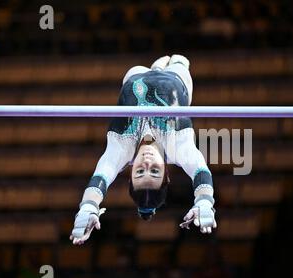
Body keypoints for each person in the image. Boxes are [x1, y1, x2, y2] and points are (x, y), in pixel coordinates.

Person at [70, 55, 217, 245]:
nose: (146, 163)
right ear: (166, 175)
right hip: (176, 78)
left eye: (140, 171)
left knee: (143, 68)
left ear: (130, 173)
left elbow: (101, 177)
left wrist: (88, 207)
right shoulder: (178, 146)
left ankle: (157, 66)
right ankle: (167, 64)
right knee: (180, 60)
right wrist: (205, 201)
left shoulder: (121, 148)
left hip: (135, 75)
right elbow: (200, 170)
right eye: (154, 171)